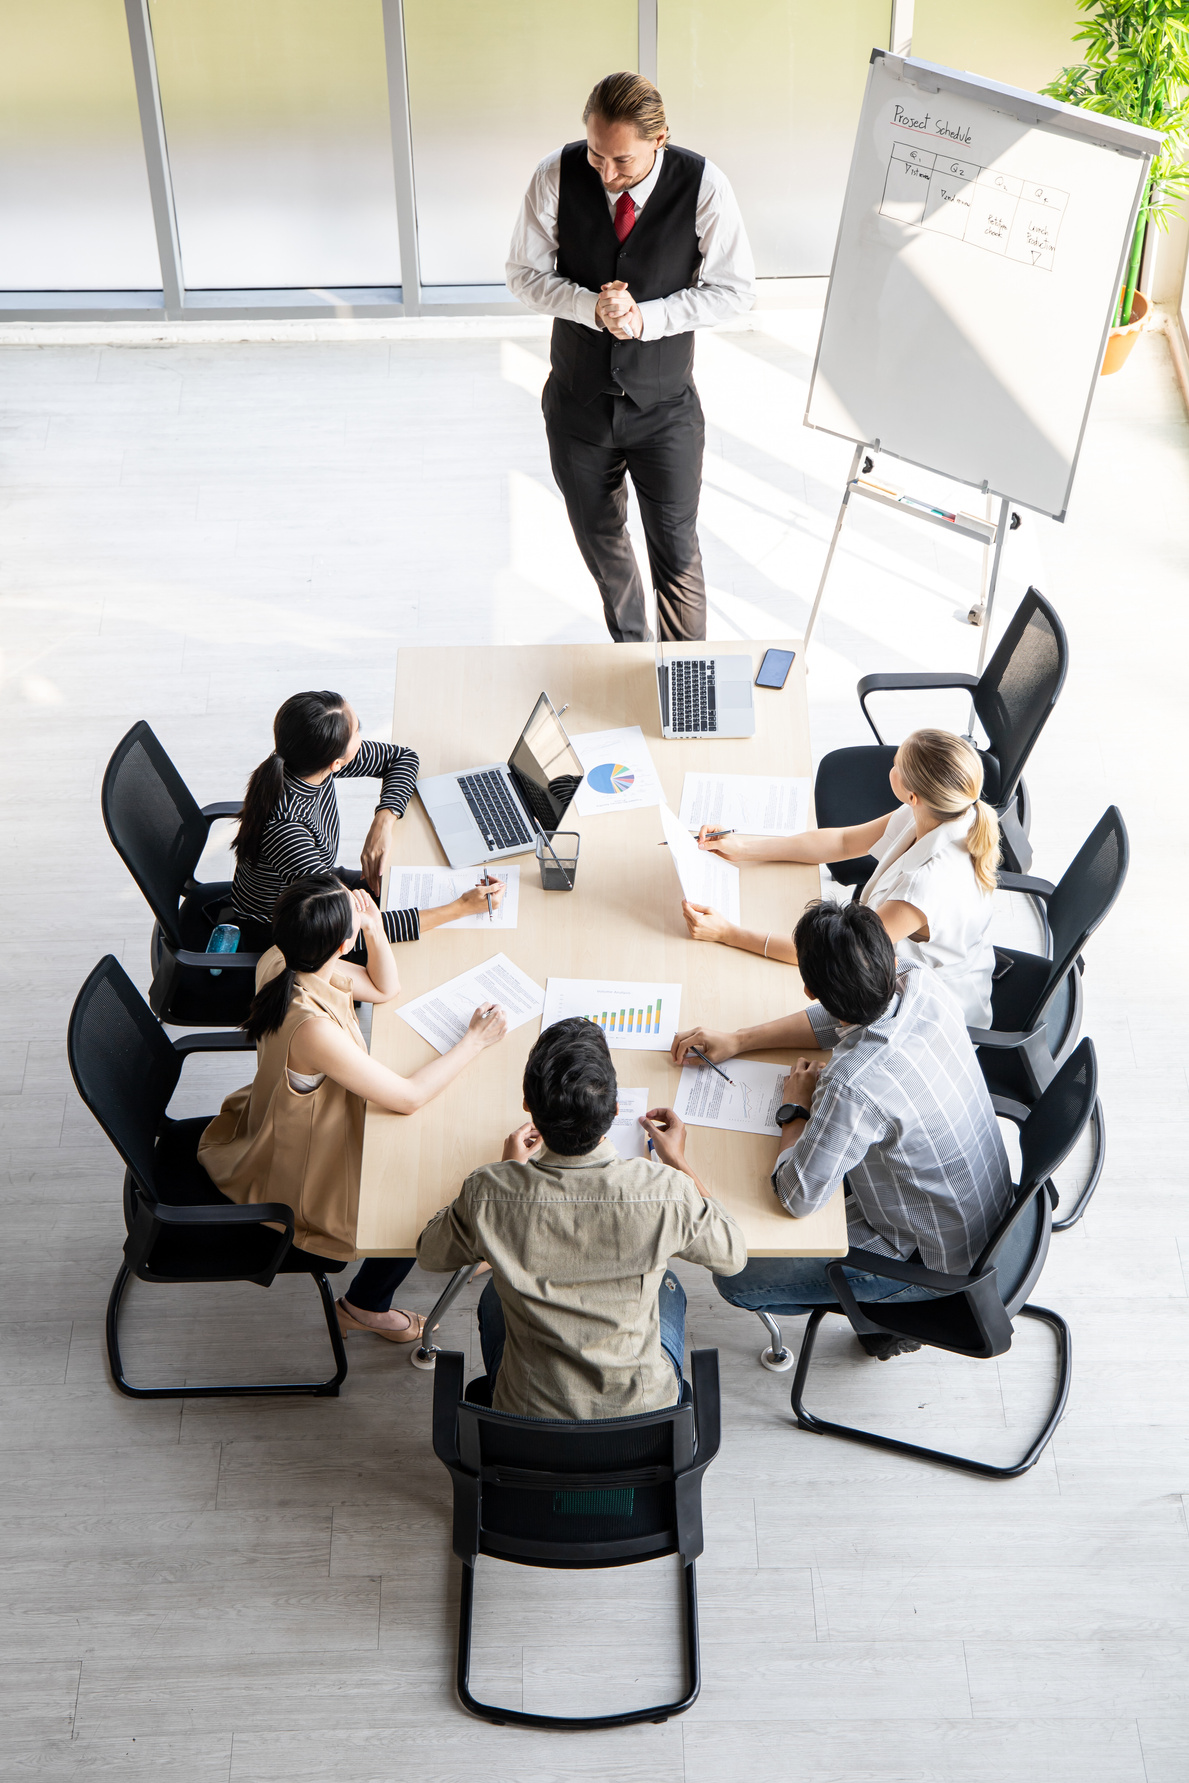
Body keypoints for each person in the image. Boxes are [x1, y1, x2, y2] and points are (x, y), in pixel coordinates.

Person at [674, 900, 1012, 1359]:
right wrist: (740, 1039)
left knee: (736, 1276)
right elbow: (835, 1023)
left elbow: (795, 1195)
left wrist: (795, 1107)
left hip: (932, 1261)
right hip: (988, 1211)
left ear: (809, 989)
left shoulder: (853, 1083)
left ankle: (890, 1316)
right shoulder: (919, 980)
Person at [199, 874, 509, 1343]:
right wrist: (474, 1041)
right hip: (305, 1168)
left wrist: (373, 929)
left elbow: (386, 990)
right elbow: (407, 1098)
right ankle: (363, 1306)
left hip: (282, 1125)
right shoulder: (311, 1029)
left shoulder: (284, 958)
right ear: (342, 946)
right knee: (417, 1204)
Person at [507, 71, 755, 644]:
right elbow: (523, 275)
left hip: (664, 408)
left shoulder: (704, 185)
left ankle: (684, 682)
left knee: (677, 556)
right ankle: (633, 656)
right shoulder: (556, 173)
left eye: (622, 161)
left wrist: (648, 318)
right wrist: (589, 304)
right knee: (603, 546)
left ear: (660, 139)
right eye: (597, 155)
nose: (607, 175)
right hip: (577, 404)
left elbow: (736, 290)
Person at [416, 1017, 746, 1418]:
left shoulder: (490, 1191)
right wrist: (678, 1161)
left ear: (527, 1108)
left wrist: (503, 1174)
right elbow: (733, 1254)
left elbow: (431, 1254)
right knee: (668, 1283)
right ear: (615, 1110)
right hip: (643, 1420)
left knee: (492, 1294)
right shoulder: (666, 1191)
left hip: (527, 1423)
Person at [682, 729, 999, 1027]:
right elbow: (844, 842)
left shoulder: (925, 887)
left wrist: (728, 933)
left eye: (897, 764)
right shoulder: (937, 811)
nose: (891, 764)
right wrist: (744, 849)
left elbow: (838, 956)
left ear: (913, 795)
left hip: (928, 1010)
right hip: (887, 954)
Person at [230, 689, 504, 951]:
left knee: (406, 883)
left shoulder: (305, 759)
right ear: (337, 762)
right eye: (357, 730)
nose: (361, 735)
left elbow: (403, 758)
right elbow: (353, 927)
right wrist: (461, 908)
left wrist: (383, 821)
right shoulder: (287, 830)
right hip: (292, 926)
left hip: (319, 884)